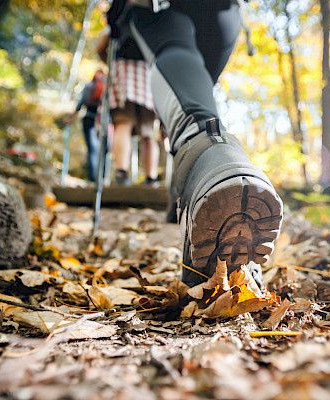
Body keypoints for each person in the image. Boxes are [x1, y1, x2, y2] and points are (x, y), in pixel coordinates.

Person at [108, 0, 283, 288]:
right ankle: (191, 183)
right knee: (193, 87)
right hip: (224, 15)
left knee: (176, 55)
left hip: (159, 9)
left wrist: (114, 18)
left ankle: (207, 154)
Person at [98, 15, 160, 186]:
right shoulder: (155, 17)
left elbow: (102, 43)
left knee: (123, 124)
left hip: (123, 69)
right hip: (149, 73)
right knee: (148, 131)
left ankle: (121, 172)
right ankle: (151, 177)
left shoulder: (121, 15)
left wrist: (110, 61)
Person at [69, 69, 105, 182]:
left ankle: (92, 178)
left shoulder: (88, 86)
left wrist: (70, 118)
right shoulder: (107, 87)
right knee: (103, 149)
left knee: (92, 148)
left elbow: (81, 103)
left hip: (89, 118)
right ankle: (103, 177)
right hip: (104, 121)